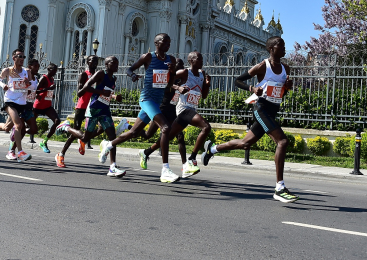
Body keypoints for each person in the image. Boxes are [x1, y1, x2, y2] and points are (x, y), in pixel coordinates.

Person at [200, 36, 298, 203]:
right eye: (280, 46)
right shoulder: (263, 66)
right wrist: (252, 88)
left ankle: (212, 149)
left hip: (272, 111)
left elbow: (282, 93)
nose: (284, 49)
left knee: (245, 143)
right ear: (271, 48)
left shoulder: (285, 68)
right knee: (282, 141)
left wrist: (287, 87)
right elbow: (238, 80)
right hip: (261, 109)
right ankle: (279, 188)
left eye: (284, 46)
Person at [98, 33, 180, 183]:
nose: (168, 45)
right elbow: (129, 69)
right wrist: (133, 76)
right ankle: (165, 170)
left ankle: (108, 144)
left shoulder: (171, 60)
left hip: (156, 101)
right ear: (156, 43)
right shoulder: (148, 57)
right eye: (164, 42)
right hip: (146, 99)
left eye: (169, 42)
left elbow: (169, 85)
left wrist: (172, 71)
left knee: (134, 132)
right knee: (166, 127)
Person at [56, 56, 126, 177]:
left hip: (105, 110)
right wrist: (101, 92)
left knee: (112, 136)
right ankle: (66, 127)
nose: (116, 66)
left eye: (117, 63)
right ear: (107, 64)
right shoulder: (101, 74)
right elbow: (86, 87)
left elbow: (108, 92)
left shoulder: (113, 78)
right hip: (93, 109)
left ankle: (112, 167)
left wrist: (115, 97)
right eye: (114, 63)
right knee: (84, 138)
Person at [138, 59, 189, 174]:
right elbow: (165, 86)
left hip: (173, 112)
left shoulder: (181, 80)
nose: (181, 68)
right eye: (179, 66)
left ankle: (185, 166)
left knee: (179, 136)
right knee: (147, 135)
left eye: (182, 66)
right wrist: (177, 87)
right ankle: (129, 128)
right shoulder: (167, 77)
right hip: (161, 110)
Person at [0, 49, 34, 162]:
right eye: (19, 56)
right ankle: (20, 152)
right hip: (10, 101)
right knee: (18, 125)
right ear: (14, 58)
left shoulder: (27, 71)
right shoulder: (8, 70)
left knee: (7, 127)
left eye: (23, 57)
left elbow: (33, 87)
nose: (22, 59)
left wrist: (28, 83)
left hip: (21, 102)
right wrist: (3, 85)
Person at [73, 55, 99, 152]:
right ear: (88, 62)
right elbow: (79, 93)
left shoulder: (98, 75)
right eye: (92, 61)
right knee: (76, 127)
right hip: (82, 105)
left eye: (96, 61)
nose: (95, 63)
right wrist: (88, 86)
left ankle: (87, 143)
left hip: (93, 105)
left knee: (90, 126)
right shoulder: (84, 74)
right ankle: (66, 130)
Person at [33, 62, 60, 153]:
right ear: (49, 70)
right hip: (38, 105)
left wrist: (51, 94)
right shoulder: (43, 78)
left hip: (47, 106)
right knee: (30, 126)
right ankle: (16, 139)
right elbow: (36, 91)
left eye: (56, 70)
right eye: (54, 70)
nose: (55, 72)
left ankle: (44, 142)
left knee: (57, 121)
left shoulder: (52, 79)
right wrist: (49, 89)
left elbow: (47, 91)